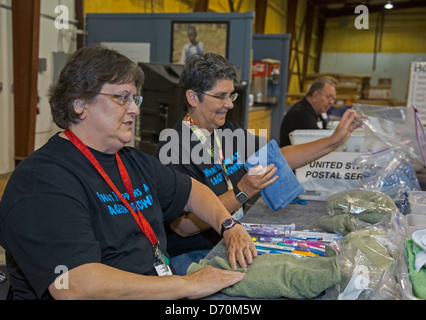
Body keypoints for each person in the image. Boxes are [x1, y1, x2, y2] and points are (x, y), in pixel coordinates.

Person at [0, 45, 256, 300]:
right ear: (80, 104)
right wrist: (187, 284)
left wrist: (229, 226)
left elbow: (193, 191)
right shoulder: (41, 181)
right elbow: (76, 285)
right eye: (122, 97)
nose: (134, 109)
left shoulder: (133, 161)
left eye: (135, 99)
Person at [155, 53, 365, 275]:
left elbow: (278, 157)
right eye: (220, 97)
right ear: (193, 98)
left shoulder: (226, 131)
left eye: (230, 96)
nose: (228, 104)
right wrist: (242, 192)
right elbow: (184, 227)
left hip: (233, 237)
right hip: (196, 253)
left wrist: (334, 141)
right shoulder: (173, 150)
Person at [279, 77, 339, 147]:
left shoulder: (317, 112)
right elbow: (318, 145)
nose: (331, 102)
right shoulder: (301, 115)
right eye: (328, 97)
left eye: (333, 99)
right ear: (315, 95)